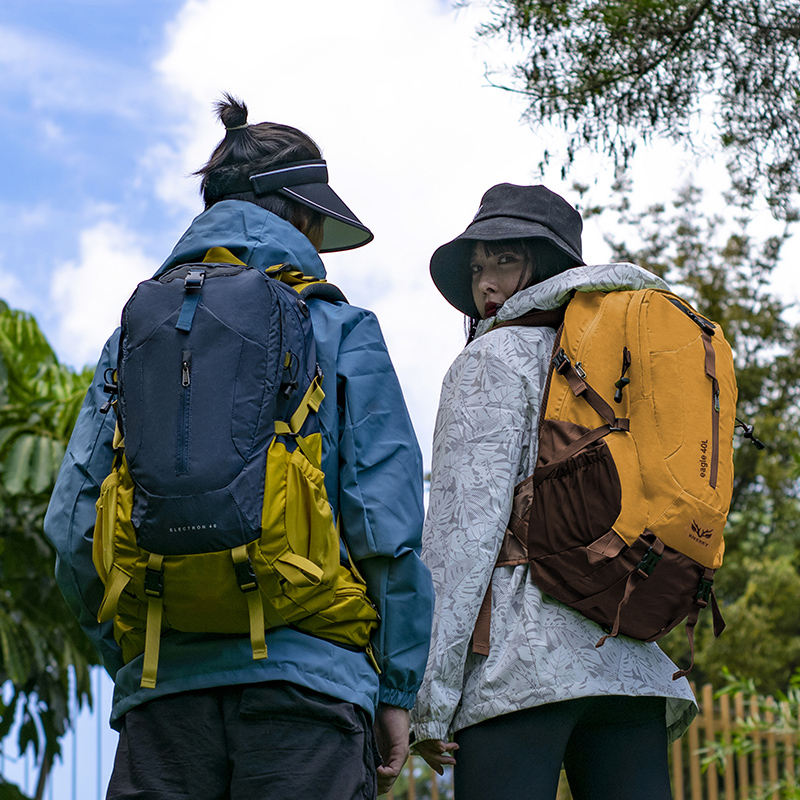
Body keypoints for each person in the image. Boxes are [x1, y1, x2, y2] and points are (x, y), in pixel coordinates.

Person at [45, 94, 433, 800]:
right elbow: (385, 523)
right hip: (310, 693)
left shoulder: (132, 336)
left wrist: (138, 656)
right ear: (300, 214)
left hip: (164, 701)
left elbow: (72, 522)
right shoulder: (340, 328)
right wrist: (395, 687)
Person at [410, 183, 697, 800]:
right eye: (478, 266)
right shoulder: (622, 362)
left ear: (549, 265)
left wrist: (429, 697)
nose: (485, 283)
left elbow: (463, 531)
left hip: (521, 669)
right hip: (632, 662)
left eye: (504, 261)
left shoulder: (492, 358)